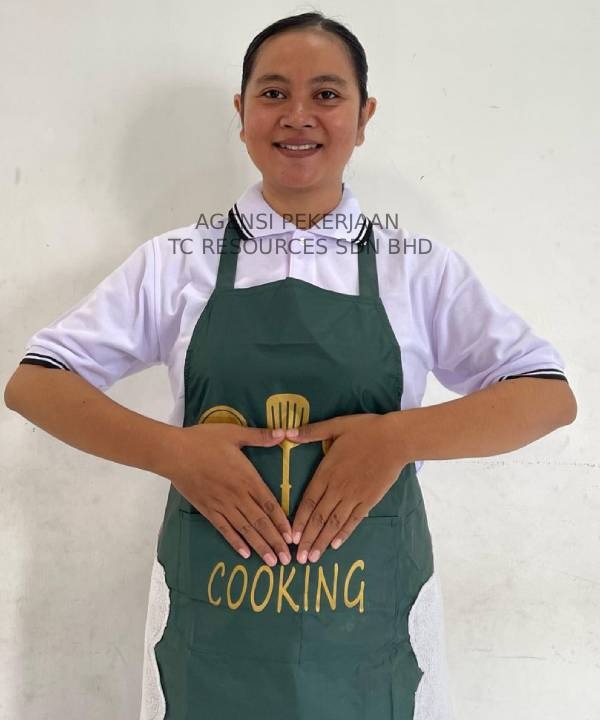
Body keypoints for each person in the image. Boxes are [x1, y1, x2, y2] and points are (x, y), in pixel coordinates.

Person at [4, 11, 577, 720]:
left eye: (327, 94)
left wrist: (396, 438)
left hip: (370, 627)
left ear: (364, 117)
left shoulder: (416, 269)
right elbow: (36, 381)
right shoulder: (177, 262)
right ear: (242, 113)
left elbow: (546, 395)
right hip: (212, 626)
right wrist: (172, 451)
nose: (297, 115)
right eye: (273, 93)